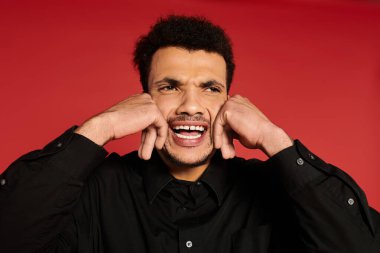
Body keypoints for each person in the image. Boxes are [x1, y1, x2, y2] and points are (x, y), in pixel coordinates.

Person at [0, 15, 379, 253]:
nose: (191, 106)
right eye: (170, 87)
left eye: (210, 89)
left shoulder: (275, 192)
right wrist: (99, 128)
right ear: (143, 99)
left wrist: (274, 138)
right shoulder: (98, 191)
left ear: (231, 101)